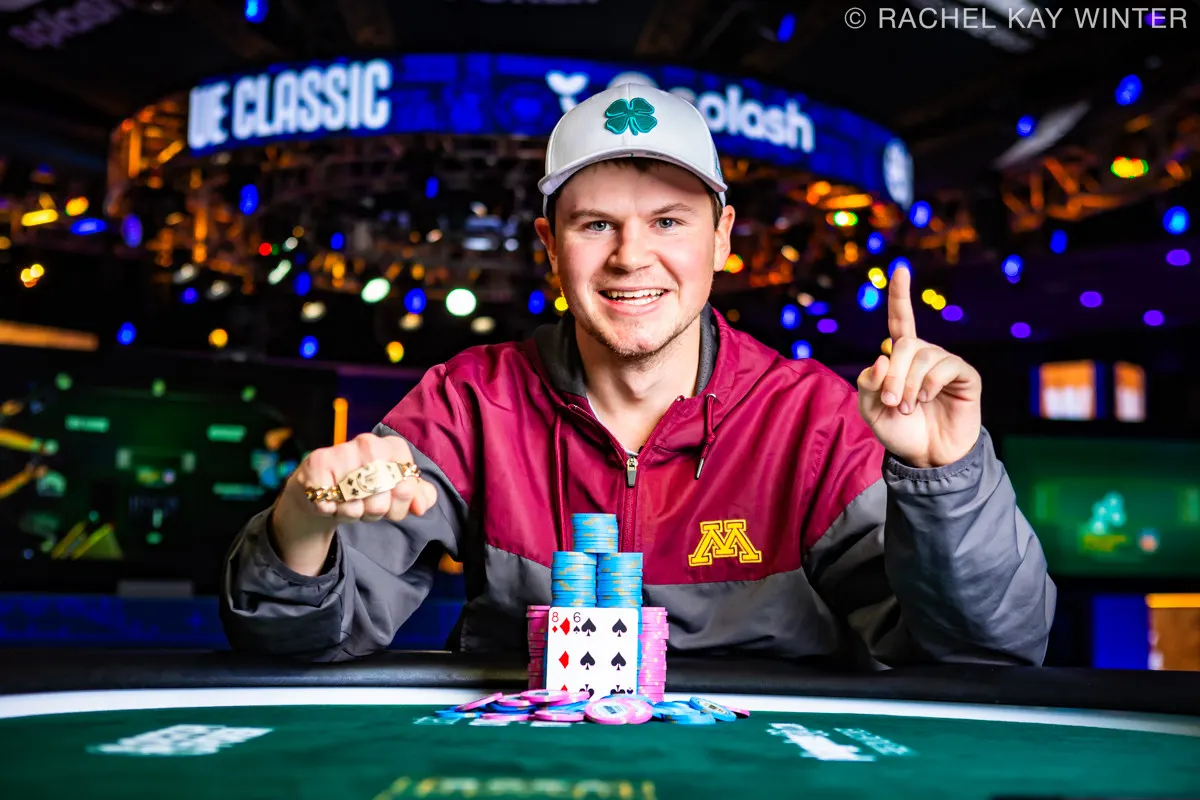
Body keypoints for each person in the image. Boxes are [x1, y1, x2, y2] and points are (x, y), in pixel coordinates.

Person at [220, 84, 1056, 666]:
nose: (630, 257)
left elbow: (992, 653)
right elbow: (296, 641)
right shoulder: (469, 402)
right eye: (595, 225)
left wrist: (947, 477)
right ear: (551, 249)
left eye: (667, 221)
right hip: (531, 769)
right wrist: (301, 525)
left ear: (721, 238)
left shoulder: (812, 418)